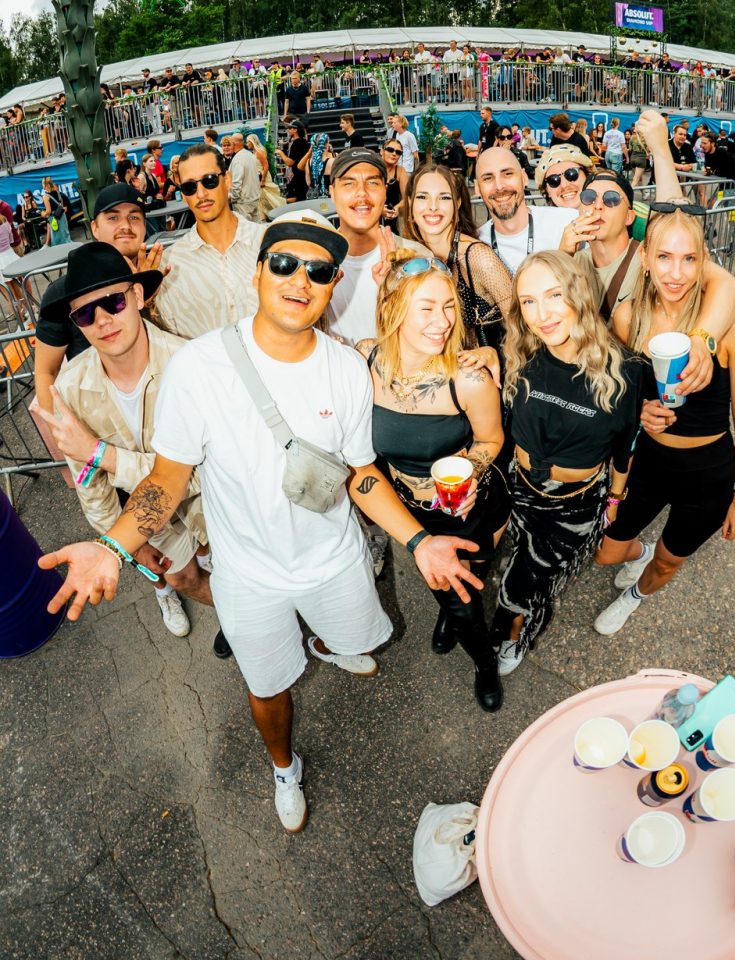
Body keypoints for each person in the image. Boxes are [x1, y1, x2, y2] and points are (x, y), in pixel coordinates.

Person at [41, 211, 481, 834]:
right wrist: (111, 547)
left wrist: (419, 540)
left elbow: (361, 474)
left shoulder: (345, 370)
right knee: (268, 686)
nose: (300, 279)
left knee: (353, 640)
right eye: (284, 263)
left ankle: (326, 644)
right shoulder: (200, 368)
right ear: (257, 273)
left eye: (319, 271)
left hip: (334, 560)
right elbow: (167, 479)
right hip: (247, 577)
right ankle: (283, 765)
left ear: (333, 286)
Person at [36, 242, 214, 640]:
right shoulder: (71, 388)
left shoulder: (191, 365)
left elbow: (206, 472)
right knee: (182, 579)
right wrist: (124, 544)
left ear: (136, 296)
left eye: (113, 302)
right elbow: (90, 483)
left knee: (242, 578)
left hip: (211, 504)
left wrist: (104, 455)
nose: (102, 321)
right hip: (142, 518)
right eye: (85, 313)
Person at [357, 253, 509, 710]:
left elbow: (491, 439)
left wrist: (471, 470)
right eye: (426, 308)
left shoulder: (469, 378)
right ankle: (465, 634)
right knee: (454, 594)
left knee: (468, 584)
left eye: (448, 307)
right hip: (408, 509)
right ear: (393, 309)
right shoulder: (364, 359)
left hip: (468, 507)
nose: (442, 322)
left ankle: (483, 664)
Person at [594, 206, 735, 634]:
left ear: (704, 263)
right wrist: (640, 411)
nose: (676, 273)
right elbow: (619, 393)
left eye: (689, 259)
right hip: (648, 464)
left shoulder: (730, 324)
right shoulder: (628, 317)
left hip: (708, 474)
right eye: (664, 257)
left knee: (669, 563)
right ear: (645, 258)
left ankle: (636, 596)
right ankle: (640, 553)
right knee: (606, 552)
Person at [491, 250, 642, 675]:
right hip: (519, 488)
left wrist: (615, 500)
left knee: (522, 580)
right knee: (515, 557)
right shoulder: (518, 354)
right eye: (529, 301)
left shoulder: (626, 371)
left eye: (554, 295)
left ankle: (513, 633)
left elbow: (625, 446)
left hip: (573, 507)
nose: (542, 314)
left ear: (579, 293)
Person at [560, 113, 735, 384]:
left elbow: (729, 285)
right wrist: (563, 254)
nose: (598, 205)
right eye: (589, 197)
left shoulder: (654, 259)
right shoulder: (571, 261)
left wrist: (660, 148)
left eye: (611, 199)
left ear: (630, 216)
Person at [34, 185, 169, 413]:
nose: (125, 225)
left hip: (166, 402)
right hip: (97, 414)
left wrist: (147, 299)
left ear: (144, 226)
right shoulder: (64, 292)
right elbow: (46, 371)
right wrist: (58, 425)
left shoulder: (165, 274)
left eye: (134, 217)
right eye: (113, 217)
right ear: (95, 228)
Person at [148, 143, 265, 341]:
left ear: (227, 180)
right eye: (190, 187)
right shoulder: (169, 264)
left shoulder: (266, 242)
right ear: (183, 194)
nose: (201, 194)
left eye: (210, 180)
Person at [403, 164, 512, 353]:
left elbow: (521, 326)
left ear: (458, 203)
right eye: (422, 197)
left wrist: (491, 356)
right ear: (410, 202)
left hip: (486, 369)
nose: (433, 206)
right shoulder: (410, 257)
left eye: (444, 197)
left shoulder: (478, 257)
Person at [328, 149, 428, 347]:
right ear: (332, 192)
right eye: (349, 183)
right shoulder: (315, 260)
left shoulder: (417, 257)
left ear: (385, 190)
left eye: (372, 183)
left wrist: (394, 288)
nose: (362, 193)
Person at [473, 148, 578, 276]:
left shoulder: (566, 223)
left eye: (508, 174)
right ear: (477, 188)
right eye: (488, 178)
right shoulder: (474, 247)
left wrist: (564, 257)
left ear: (524, 178)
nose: (499, 186)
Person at [229, 131, 262, 221]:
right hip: (254, 197)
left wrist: (233, 199)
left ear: (233, 143)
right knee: (256, 226)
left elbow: (236, 182)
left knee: (245, 227)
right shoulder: (249, 154)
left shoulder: (238, 159)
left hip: (243, 201)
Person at [275, 122, 311, 203]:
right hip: (300, 175)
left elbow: (290, 163)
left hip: (299, 176)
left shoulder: (297, 143)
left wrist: (280, 153)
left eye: (290, 128)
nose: (288, 130)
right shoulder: (300, 141)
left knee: (298, 198)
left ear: (295, 130)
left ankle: (279, 203)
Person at [380, 138, 409, 225]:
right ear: (382, 151)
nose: (394, 154)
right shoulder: (373, 169)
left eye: (398, 152)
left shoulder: (400, 171)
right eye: (390, 150)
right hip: (372, 216)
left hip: (392, 218)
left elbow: (407, 197)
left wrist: (397, 207)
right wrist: (379, 209)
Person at [42, 177, 71, 246]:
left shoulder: (46, 197)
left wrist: (43, 214)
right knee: (65, 236)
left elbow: (48, 211)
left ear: (45, 185)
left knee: (57, 239)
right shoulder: (58, 193)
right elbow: (62, 206)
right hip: (62, 217)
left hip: (54, 219)